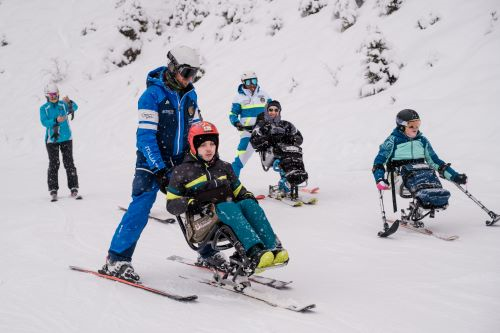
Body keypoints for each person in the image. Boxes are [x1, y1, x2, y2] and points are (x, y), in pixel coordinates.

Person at [100, 45, 202, 282]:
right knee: (142, 205)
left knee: (199, 200)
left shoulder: (191, 95)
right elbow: (145, 137)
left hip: (180, 160)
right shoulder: (152, 96)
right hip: (150, 161)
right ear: (173, 67)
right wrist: (160, 169)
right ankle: (117, 258)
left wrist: (200, 154)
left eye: (194, 74)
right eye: (186, 72)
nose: (190, 79)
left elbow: (196, 128)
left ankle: (206, 252)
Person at [166, 121, 289, 270]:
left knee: (249, 204)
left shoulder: (224, 167)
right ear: (194, 145)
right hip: (200, 223)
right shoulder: (182, 172)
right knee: (227, 207)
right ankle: (253, 250)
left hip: (225, 217)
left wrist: (248, 196)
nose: (208, 149)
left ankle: (272, 247)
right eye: (203, 145)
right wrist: (190, 202)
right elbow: (171, 204)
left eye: (212, 144)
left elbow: (238, 190)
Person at [372, 109, 467, 216]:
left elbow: (435, 161)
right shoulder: (392, 141)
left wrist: (454, 176)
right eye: (411, 125)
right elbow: (379, 162)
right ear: (402, 126)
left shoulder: (422, 141)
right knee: (415, 175)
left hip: (420, 176)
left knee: (429, 173)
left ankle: (429, 201)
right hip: (398, 178)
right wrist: (379, 179)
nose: (415, 128)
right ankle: (420, 205)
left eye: (417, 124)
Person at [250, 100, 308, 194]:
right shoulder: (261, 126)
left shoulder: (286, 124)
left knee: (297, 150)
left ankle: (298, 174)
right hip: (269, 153)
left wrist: (287, 137)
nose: (273, 112)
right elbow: (254, 141)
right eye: (270, 110)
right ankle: (288, 177)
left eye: (276, 110)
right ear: (266, 111)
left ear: (279, 111)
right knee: (282, 150)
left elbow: (299, 139)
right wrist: (270, 137)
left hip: (286, 150)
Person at [39, 83, 80, 201]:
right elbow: (44, 122)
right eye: (51, 95)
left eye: (55, 94)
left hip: (66, 138)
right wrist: (55, 120)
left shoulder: (63, 104)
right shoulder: (43, 108)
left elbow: (75, 107)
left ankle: (73, 188)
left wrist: (69, 102)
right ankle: (53, 189)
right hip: (52, 140)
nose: (54, 97)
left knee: (69, 163)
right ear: (47, 96)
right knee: (54, 164)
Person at [229, 71, 272, 177]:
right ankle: (232, 184)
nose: (252, 84)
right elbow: (233, 114)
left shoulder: (264, 94)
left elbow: (273, 110)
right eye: (249, 82)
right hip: (248, 132)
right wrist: (237, 123)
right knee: (241, 157)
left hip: (264, 130)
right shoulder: (238, 98)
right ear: (243, 82)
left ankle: (285, 183)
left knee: (277, 154)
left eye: (254, 81)